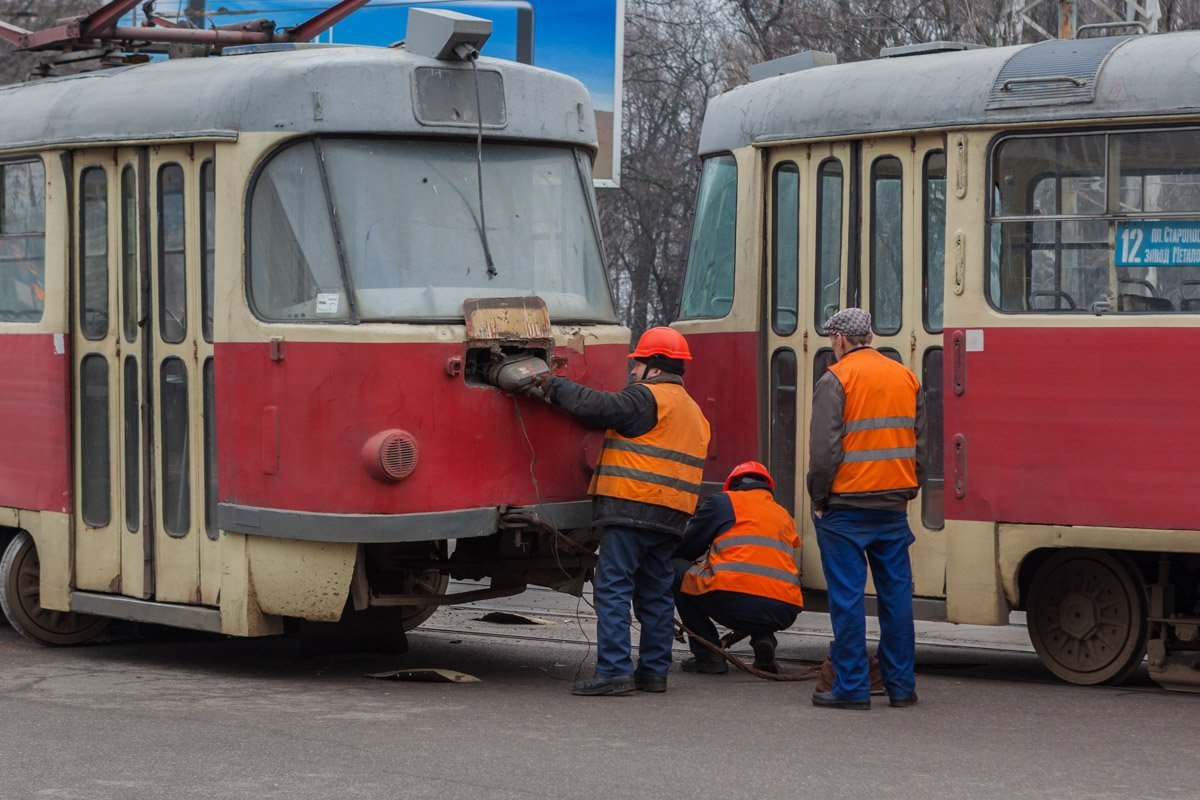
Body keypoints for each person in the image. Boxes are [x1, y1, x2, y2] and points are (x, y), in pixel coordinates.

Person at [522, 326, 711, 695]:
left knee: (613, 588)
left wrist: (552, 385)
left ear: (653, 367)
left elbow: (599, 408)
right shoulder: (693, 412)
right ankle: (654, 673)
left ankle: (613, 671)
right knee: (655, 593)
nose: (633, 371)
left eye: (637, 364)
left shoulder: (647, 398)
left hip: (632, 507)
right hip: (671, 517)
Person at [807, 308, 925, 710]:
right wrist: (910, 486)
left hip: (846, 507)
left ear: (840, 340)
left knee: (847, 598)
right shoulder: (905, 376)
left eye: (830, 341)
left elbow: (824, 452)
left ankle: (853, 688)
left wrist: (819, 500)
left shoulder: (835, 379)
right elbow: (920, 443)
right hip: (892, 507)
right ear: (870, 335)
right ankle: (902, 687)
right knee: (896, 599)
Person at [673, 461, 803, 675]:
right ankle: (764, 639)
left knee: (673, 568)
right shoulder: (783, 514)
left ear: (731, 485)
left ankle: (709, 656)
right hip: (784, 610)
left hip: (734, 600)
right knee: (760, 584)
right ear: (768, 487)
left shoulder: (723, 502)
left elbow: (686, 547)